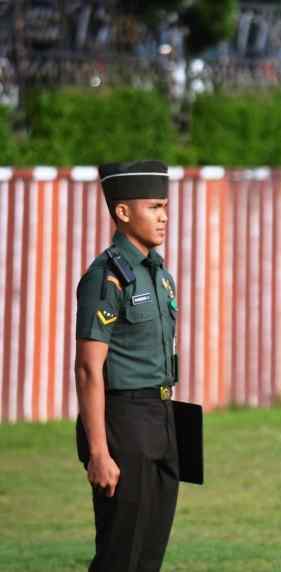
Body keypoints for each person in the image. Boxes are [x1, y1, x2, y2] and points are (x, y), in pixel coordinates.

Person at [74, 160, 180, 571]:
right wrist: (99, 451)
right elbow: (87, 368)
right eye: (154, 206)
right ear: (123, 212)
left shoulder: (158, 274)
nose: (164, 216)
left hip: (162, 418)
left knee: (150, 554)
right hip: (124, 422)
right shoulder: (106, 277)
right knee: (121, 556)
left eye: (165, 206)